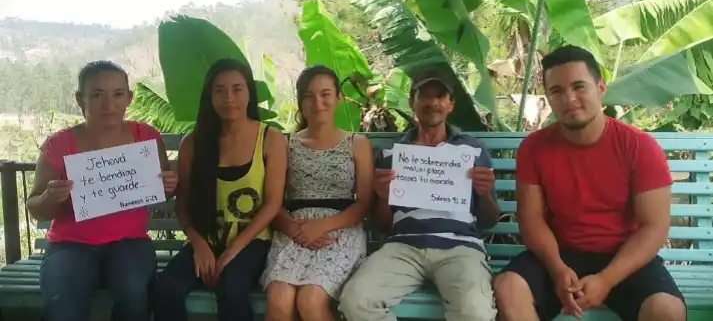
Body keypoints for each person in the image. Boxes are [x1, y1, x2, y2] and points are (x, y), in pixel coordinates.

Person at [493, 45, 686, 321]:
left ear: (600, 88)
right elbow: (532, 218)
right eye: (557, 91)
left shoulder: (639, 146)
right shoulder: (534, 148)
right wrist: (557, 269)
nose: (569, 99)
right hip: (560, 254)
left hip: (624, 257)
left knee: (668, 311)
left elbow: (654, 227)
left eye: (579, 87)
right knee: (509, 287)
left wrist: (607, 279)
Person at [338, 66, 501, 321]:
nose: (432, 103)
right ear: (412, 101)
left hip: (460, 248)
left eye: (440, 96)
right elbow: (382, 225)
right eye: (424, 95)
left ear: (451, 104)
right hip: (403, 247)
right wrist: (382, 197)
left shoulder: (472, 149)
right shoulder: (394, 153)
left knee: (476, 313)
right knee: (356, 301)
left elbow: (489, 220)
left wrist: (485, 194)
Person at [26, 60, 178, 321]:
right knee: (62, 304)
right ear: (80, 99)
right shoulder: (59, 145)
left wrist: (168, 187)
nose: (109, 105)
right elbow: (35, 208)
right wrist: (51, 197)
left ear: (129, 98)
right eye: (97, 95)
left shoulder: (146, 137)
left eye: (118, 94)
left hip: (130, 243)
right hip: (70, 246)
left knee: (134, 294)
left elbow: (161, 192)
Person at [152, 58, 287, 321]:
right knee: (166, 288)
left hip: (252, 241)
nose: (229, 98)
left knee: (231, 286)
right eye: (220, 90)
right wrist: (199, 243)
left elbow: (272, 204)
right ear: (209, 96)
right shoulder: (193, 143)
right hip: (205, 240)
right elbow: (183, 206)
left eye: (237, 89)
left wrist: (232, 250)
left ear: (249, 92)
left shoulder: (270, 139)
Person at [261, 65, 374, 321]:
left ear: (338, 98)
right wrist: (292, 228)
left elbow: (364, 204)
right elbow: (273, 201)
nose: (318, 102)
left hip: (340, 230)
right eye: (309, 95)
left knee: (311, 300)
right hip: (294, 229)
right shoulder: (285, 143)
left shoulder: (357, 143)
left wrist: (322, 226)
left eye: (325, 94)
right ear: (300, 102)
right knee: (279, 298)